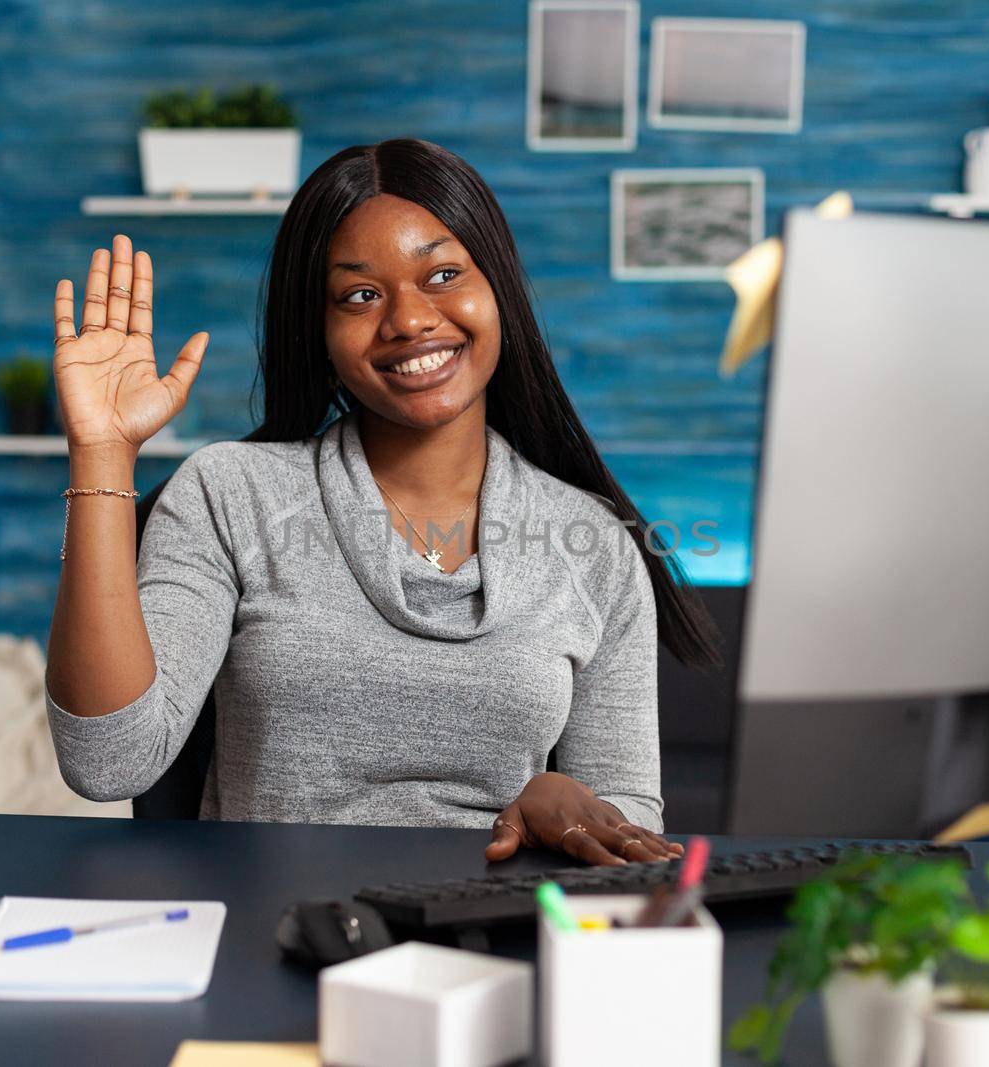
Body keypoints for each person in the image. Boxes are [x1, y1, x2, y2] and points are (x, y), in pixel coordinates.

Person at [44, 138, 718, 866]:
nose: (409, 319)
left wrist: (564, 798)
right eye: (360, 294)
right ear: (322, 332)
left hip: (486, 935)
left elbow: (631, 822)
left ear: (500, 291)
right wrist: (102, 450)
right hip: (273, 932)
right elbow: (109, 763)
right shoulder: (228, 493)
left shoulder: (596, 542)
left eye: (443, 273)